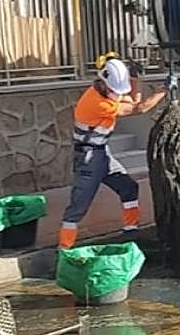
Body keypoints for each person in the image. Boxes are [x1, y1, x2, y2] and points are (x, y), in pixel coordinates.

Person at [58, 54, 165, 249]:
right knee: (78, 206)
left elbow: (133, 101)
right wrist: (162, 91)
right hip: (89, 159)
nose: (119, 94)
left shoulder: (105, 93)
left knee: (129, 187)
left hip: (102, 154)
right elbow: (139, 109)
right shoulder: (99, 103)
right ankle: (64, 248)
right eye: (116, 90)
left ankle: (131, 232)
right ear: (105, 84)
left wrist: (134, 79)